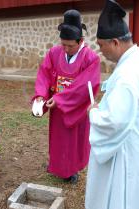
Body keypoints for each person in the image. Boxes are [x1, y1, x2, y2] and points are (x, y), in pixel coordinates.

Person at [85, 0, 139, 209]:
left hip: (128, 146)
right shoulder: (136, 60)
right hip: (137, 137)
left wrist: (94, 114)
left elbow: (114, 122)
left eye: (101, 45)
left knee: (123, 194)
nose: (100, 51)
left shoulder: (128, 74)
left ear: (116, 42)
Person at [32, 9, 100, 184]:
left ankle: (71, 170)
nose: (66, 49)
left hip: (75, 108)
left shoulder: (91, 58)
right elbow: (45, 74)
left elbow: (86, 86)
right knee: (58, 140)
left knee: (73, 141)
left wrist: (61, 100)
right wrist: (40, 96)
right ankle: (56, 165)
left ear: (81, 41)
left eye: (71, 45)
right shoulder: (54, 53)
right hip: (56, 107)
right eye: (63, 44)